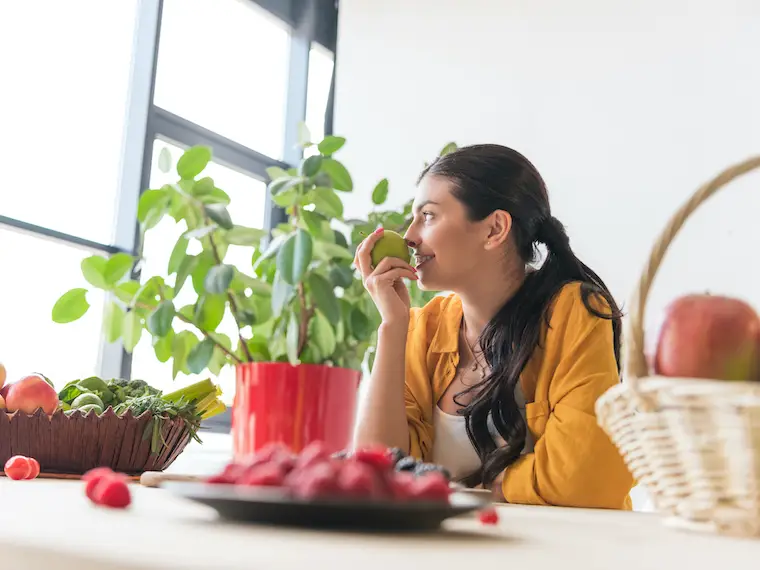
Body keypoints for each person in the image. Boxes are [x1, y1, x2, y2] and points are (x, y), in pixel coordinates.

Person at [352, 144, 634, 509]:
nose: (409, 236)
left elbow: (582, 477)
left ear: (494, 229)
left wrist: (493, 485)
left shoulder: (573, 311)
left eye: (428, 216)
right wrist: (392, 327)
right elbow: (376, 470)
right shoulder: (423, 328)